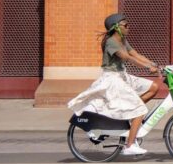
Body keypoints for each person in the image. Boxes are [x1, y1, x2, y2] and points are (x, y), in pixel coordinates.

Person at [68, 13, 160, 156]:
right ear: (116, 28)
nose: (129, 27)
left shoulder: (122, 39)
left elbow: (135, 54)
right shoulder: (111, 42)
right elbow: (127, 57)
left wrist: (154, 64)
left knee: (154, 87)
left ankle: (130, 114)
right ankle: (129, 146)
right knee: (140, 110)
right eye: (126, 25)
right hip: (112, 79)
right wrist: (148, 68)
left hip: (122, 75)